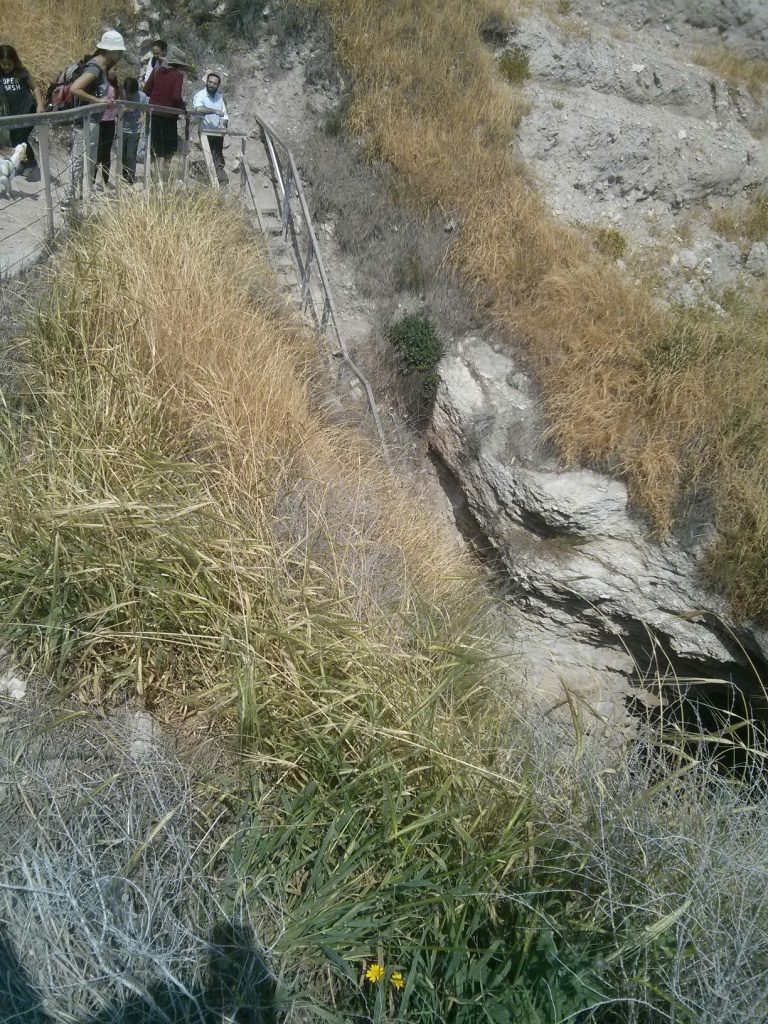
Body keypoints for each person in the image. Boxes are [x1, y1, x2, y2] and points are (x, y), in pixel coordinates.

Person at [65, 29, 125, 204]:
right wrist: (98, 100)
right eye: (119, 51)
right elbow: (75, 88)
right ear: (111, 51)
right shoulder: (96, 67)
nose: (121, 54)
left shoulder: (100, 66)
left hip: (92, 121)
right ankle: (71, 198)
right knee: (79, 159)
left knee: (87, 160)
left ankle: (82, 195)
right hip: (86, 121)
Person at [0, 45, 44, 182]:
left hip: (27, 110)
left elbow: (35, 87)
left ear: (15, 61)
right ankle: (21, 163)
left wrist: (40, 105)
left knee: (21, 138)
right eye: (4, 64)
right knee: (14, 139)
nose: (7, 67)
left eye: (10, 64)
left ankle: (31, 163)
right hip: (11, 114)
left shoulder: (21, 73)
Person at [144, 46, 188, 174]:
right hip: (169, 116)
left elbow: (146, 90)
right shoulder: (178, 76)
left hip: (154, 113)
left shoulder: (156, 70)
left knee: (155, 145)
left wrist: (157, 95)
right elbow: (176, 96)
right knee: (169, 148)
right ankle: (165, 173)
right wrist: (183, 107)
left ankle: (153, 173)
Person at [192, 71, 229, 180]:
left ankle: (218, 182)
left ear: (218, 85)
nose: (212, 85)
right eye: (210, 82)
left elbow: (225, 114)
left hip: (217, 133)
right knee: (209, 159)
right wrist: (214, 111)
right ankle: (209, 182)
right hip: (205, 132)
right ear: (206, 82)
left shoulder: (219, 97)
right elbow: (198, 109)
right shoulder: (200, 95)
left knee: (218, 158)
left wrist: (224, 125)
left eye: (214, 83)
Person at [93, 66, 120, 186]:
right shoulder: (100, 85)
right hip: (100, 121)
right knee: (97, 153)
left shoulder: (116, 86)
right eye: (114, 69)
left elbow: (120, 100)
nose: (116, 72)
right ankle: (92, 181)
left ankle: (105, 181)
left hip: (110, 122)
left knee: (106, 154)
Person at [121, 76, 148, 184]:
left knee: (131, 155)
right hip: (121, 129)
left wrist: (144, 117)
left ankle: (131, 179)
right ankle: (124, 175)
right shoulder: (121, 95)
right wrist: (125, 109)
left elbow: (147, 109)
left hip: (134, 130)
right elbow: (116, 112)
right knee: (122, 155)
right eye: (128, 94)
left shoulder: (142, 97)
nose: (129, 96)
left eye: (131, 94)